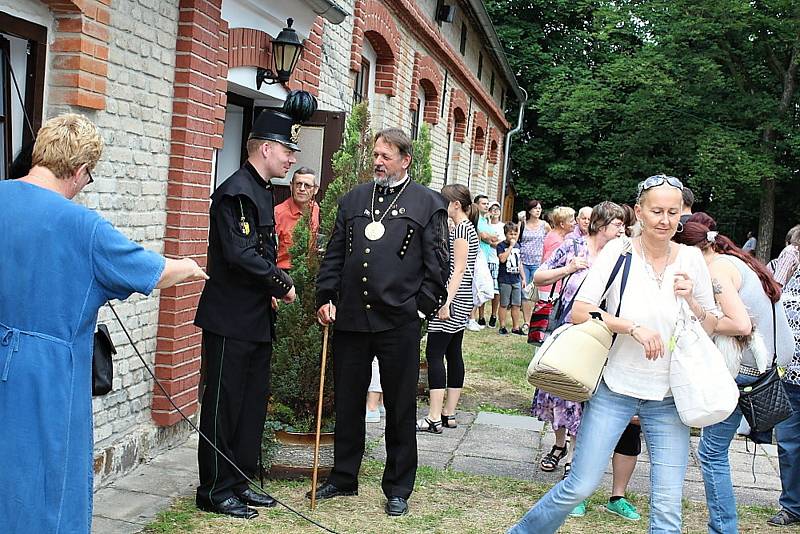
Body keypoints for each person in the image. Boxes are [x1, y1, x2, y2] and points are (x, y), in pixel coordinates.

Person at [0, 113, 207, 534]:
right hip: (47, 374)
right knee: (46, 486)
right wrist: (188, 265)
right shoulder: (84, 227)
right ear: (79, 171)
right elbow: (152, 271)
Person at [508, 174, 718, 534]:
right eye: (656, 211)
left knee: (667, 505)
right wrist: (631, 327)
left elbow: (711, 326)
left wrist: (692, 301)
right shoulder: (617, 252)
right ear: (639, 211)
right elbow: (580, 311)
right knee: (580, 485)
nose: (665, 220)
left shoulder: (691, 260)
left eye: (673, 212)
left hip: (668, 397)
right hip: (615, 388)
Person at [312, 128, 448, 517]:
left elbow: (437, 263)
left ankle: (398, 485)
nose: (378, 161)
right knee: (349, 401)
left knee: (401, 405)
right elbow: (335, 253)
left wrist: (419, 309)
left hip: (398, 321)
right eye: (375, 154)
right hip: (352, 318)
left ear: (405, 160)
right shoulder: (354, 199)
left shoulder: (427, 203)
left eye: (386, 156)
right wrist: (326, 296)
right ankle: (343, 476)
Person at [194, 109, 298, 519]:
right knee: (223, 405)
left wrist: (270, 289)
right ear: (266, 148)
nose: (291, 158)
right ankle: (215, 489)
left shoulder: (261, 189)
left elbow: (260, 252)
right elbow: (241, 256)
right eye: (287, 150)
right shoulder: (236, 191)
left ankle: (239, 480)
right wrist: (281, 283)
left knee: (251, 404)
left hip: (254, 317)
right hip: (229, 318)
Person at [674, 212, 793, 533]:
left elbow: (740, 325)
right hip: (761, 366)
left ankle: (723, 528)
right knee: (712, 449)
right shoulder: (734, 260)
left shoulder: (717, 271)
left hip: (743, 369)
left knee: (711, 453)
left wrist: (696, 309)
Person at [417, 184, 479, 433]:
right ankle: (448, 413)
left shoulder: (462, 231)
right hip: (463, 298)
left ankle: (433, 416)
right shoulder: (467, 228)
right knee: (453, 352)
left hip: (454, 298)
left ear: (456, 204)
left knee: (435, 354)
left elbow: (459, 269)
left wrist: (446, 301)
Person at [772, 223, 800, 527]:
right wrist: (786, 266)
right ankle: (792, 506)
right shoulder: (788, 273)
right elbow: (772, 297)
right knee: (789, 445)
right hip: (790, 377)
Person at [274, 166, 320, 269]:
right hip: (283, 272)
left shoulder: (315, 208)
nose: (302, 189)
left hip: (308, 272)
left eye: (307, 185)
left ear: (315, 189)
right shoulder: (278, 213)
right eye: (298, 184)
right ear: (291, 186)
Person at [517, 200, 551, 324]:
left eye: (540, 208)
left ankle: (535, 321)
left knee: (536, 293)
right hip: (524, 261)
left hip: (538, 262)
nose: (538, 210)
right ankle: (526, 322)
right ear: (529, 210)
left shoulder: (544, 225)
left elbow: (550, 240)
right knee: (525, 292)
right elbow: (517, 240)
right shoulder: (522, 224)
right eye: (535, 208)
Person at [469, 194, 495, 330]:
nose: (486, 206)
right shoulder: (475, 219)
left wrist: (489, 237)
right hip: (475, 257)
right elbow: (484, 237)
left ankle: (472, 317)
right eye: (483, 203)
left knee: (480, 286)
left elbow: (493, 239)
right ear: (476, 205)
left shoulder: (486, 220)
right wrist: (489, 237)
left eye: (487, 203)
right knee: (474, 287)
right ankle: (471, 318)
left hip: (485, 256)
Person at [497, 222, 526, 335]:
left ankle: (516, 326)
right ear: (505, 234)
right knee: (504, 303)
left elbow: (519, 263)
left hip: (516, 279)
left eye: (515, 234)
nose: (513, 236)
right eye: (510, 234)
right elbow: (502, 259)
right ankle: (502, 326)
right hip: (505, 279)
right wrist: (510, 247)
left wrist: (523, 278)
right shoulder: (501, 246)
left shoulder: (518, 246)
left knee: (516, 304)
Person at [486, 201, 505, 327]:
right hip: (486, 258)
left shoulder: (502, 226)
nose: (495, 211)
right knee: (484, 287)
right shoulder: (486, 224)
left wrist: (493, 241)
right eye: (492, 209)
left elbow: (502, 242)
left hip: (497, 259)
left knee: (496, 291)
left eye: (497, 209)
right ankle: (481, 316)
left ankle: (493, 315)